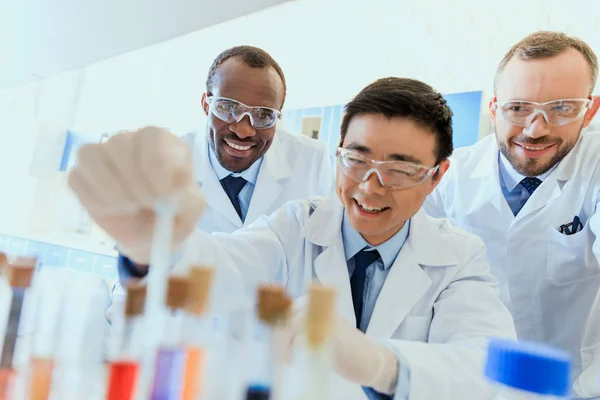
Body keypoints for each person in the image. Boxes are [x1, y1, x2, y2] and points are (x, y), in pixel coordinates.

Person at [68, 77, 516, 399]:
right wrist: (153, 248)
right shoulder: (296, 227)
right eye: (356, 160)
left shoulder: (458, 258)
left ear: (437, 177)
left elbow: (490, 369)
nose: (370, 187)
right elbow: (220, 266)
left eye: (399, 170)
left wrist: (382, 363)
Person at [423, 31, 600, 398]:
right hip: (475, 381)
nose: (536, 130)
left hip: (579, 382)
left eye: (561, 108)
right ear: (494, 109)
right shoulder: (452, 177)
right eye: (518, 108)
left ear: (590, 111)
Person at [115, 45, 334, 281]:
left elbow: (329, 258)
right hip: (190, 314)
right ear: (206, 104)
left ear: (278, 116)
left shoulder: (312, 161)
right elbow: (135, 277)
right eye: (227, 107)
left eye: (263, 115)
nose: (243, 130)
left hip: (280, 316)